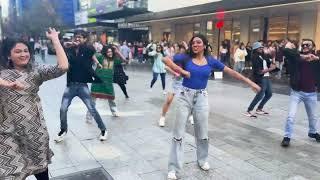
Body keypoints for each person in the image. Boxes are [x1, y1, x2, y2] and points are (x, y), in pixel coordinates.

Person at [163, 34, 260, 180]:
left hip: (202, 97)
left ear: (204, 45)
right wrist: (181, 71)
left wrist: (250, 83)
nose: (195, 45)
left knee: (202, 131)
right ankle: (173, 168)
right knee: (178, 132)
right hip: (185, 96)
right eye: (193, 43)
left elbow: (232, 72)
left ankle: (202, 160)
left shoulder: (210, 60)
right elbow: (165, 59)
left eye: (198, 42)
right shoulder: (185, 57)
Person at [0, 28, 68, 180]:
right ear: (7, 55)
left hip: (33, 129)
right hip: (6, 132)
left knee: (40, 169)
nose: (23, 54)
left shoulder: (35, 70)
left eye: (26, 50)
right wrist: (6, 84)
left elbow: (62, 67)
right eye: (18, 51)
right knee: (12, 173)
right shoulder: (2, 71)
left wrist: (55, 40)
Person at [55, 30, 107, 143]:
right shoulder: (70, 49)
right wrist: (65, 45)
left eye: (80, 37)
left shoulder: (87, 49)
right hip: (70, 85)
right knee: (63, 109)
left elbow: (92, 51)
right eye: (76, 37)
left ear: (84, 39)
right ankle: (63, 130)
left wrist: (97, 63)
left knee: (92, 109)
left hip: (82, 85)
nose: (77, 39)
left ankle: (103, 130)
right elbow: (60, 54)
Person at [281, 39, 320, 147]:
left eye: (308, 44)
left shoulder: (316, 59)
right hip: (297, 92)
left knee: (313, 117)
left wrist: (317, 58)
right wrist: (303, 56)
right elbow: (285, 51)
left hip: (311, 93)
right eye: (303, 45)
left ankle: (312, 132)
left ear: (313, 47)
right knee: (291, 116)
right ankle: (287, 136)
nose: (305, 46)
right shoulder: (296, 57)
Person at [86, 45, 128, 120]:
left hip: (108, 82)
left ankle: (114, 112)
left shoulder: (114, 59)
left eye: (111, 51)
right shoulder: (100, 57)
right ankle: (89, 115)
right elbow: (92, 55)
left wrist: (118, 52)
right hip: (98, 81)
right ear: (105, 52)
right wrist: (98, 63)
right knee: (93, 99)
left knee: (111, 98)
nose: (110, 53)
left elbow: (124, 60)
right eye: (108, 52)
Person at [159, 43, 194, 127]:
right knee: (169, 100)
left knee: (189, 100)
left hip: (185, 81)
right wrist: (175, 72)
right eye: (179, 48)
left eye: (183, 48)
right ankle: (162, 117)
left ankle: (191, 116)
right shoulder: (174, 57)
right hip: (175, 81)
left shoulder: (188, 58)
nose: (181, 50)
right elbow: (166, 67)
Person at [244, 42, 276, 118]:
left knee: (269, 94)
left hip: (267, 77)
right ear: (255, 49)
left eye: (262, 47)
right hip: (261, 78)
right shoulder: (255, 57)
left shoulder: (263, 56)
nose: (261, 48)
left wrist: (272, 62)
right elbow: (258, 71)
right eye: (259, 47)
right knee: (260, 95)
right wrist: (269, 69)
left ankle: (259, 108)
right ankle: (249, 110)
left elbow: (270, 62)